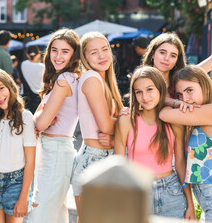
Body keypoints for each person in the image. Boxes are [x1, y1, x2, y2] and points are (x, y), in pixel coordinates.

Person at [115, 66, 195, 219]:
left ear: (159, 89)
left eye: (150, 89)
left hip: (172, 193)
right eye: (139, 92)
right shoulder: (126, 121)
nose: (145, 96)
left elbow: (180, 164)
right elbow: (118, 167)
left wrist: (190, 204)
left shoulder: (173, 120)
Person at [159, 65, 212, 222]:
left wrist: (175, 103)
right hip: (210, 198)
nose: (185, 99)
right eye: (179, 95)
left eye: (189, 90)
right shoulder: (199, 118)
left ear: (204, 86)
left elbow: (163, 112)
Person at [27, 28, 81, 223]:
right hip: (53, 150)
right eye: (54, 50)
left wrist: (39, 116)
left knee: (40, 212)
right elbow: (41, 119)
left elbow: (40, 123)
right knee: (55, 213)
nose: (58, 56)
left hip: (56, 150)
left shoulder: (65, 80)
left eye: (65, 51)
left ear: (74, 54)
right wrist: (42, 115)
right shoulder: (66, 78)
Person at [71, 32, 123, 221]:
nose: (101, 56)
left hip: (106, 157)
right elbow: (106, 125)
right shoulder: (92, 78)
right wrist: (130, 120)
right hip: (93, 160)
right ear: (84, 57)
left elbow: (113, 129)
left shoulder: (104, 81)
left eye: (105, 49)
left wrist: (114, 137)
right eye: (93, 52)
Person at [0, 67, 36, 223]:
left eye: (1, 88)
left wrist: (24, 197)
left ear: (10, 86)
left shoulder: (25, 117)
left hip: (16, 184)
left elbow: (30, 161)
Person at [142, 32, 212, 108]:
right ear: (153, 54)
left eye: (173, 55)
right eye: (162, 52)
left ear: (176, 60)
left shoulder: (182, 79)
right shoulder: (141, 79)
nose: (166, 58)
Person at [20, 45, 44, 113]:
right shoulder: (42, 67)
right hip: (39, 97)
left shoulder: (23, 64)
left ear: (27, 54)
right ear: (38, 54)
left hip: (26, 96)